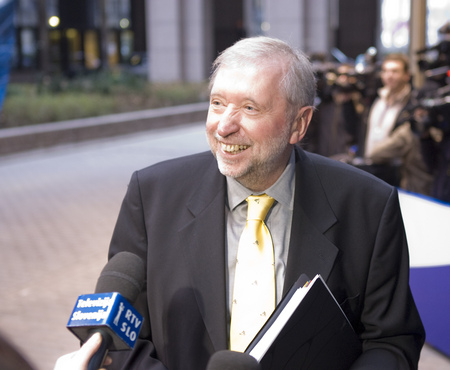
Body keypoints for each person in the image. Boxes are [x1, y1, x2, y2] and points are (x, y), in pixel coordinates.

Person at [62, 36, 424, 369]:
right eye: (217, 103)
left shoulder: (369, 205)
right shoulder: (152, 195)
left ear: (299, 124)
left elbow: (391, 342)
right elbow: (125, 341)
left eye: (250, 108)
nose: (223, 127)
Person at [341, 53, 433, 194]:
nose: (389, 75)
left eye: (395, 71)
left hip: (397, 176)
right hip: (370, 170)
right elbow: (357, 130)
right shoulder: (376, 99)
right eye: (386, 71)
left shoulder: (413, 104)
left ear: (406, 75)